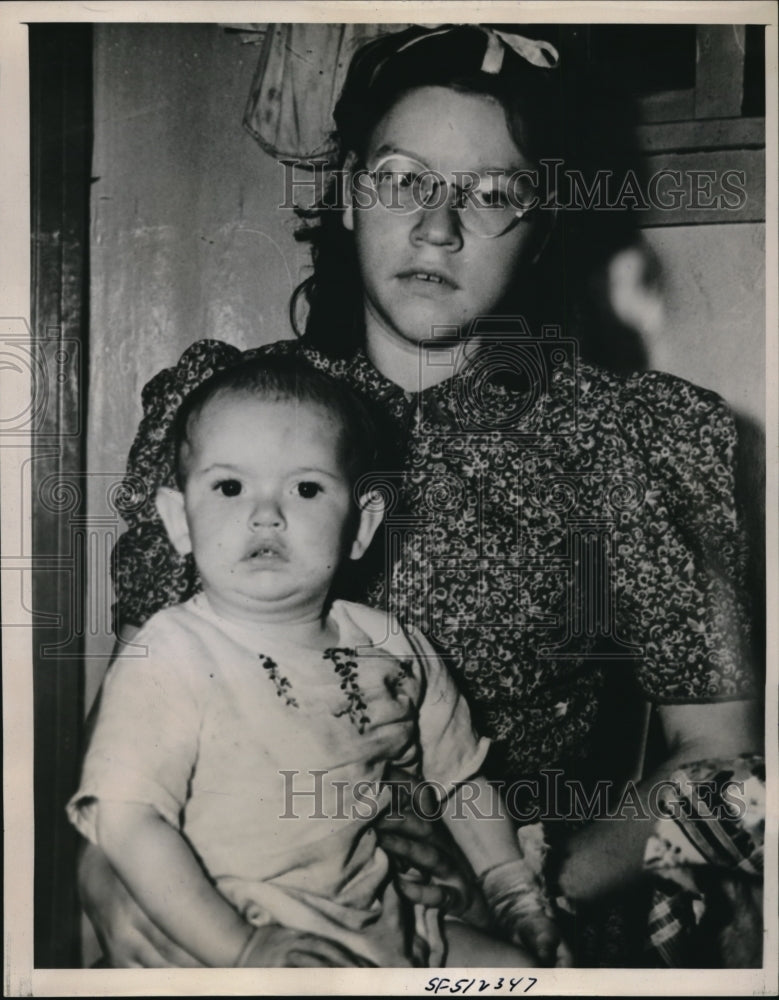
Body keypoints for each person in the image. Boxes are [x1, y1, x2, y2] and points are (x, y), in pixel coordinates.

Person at [79, 24, 764, 968]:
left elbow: (719, 765)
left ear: (543, 224)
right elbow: (132, 708)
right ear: (352, 193)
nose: (438, 226)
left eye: (494, 194)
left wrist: (516, 886)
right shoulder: (225, 418)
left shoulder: (632, 437)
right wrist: (101, 875)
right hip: (246, 920)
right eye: (404, 178)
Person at [69, 355, 570, 969]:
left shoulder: (394, 645)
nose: (266, 513)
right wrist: (244, 949)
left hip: (387, 932)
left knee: (518, 975)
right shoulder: (170, 652)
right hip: (221, 932)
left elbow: (461, 781)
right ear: (179, 522)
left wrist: (515, 896)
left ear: (360, 527)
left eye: (306, 488)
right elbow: (127, 818)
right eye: (229, 487)